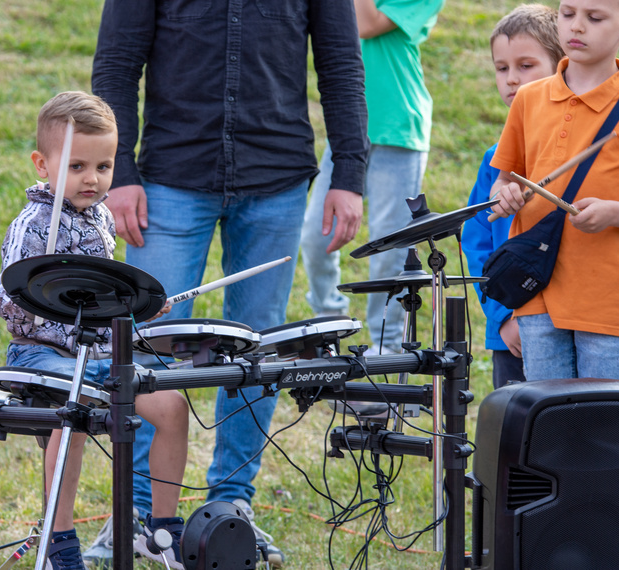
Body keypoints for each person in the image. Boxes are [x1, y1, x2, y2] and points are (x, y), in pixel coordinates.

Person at [88, 2, 369, 567]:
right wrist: (119, 175)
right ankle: (140, 513)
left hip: (278, 177)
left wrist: (351, 176)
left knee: (256, 350)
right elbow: (116, 65)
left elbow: (341, 65)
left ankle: (232, 508)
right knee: (147, 348)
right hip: (169, 177)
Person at [0, 91, 190, 570]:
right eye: (77, 166)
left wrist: (137, 310)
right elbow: (7, 298)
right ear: (43, 164)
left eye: (103, 167)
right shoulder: (33, 223)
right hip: (40, 354)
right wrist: (50, 307)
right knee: (74, 408)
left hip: (99, 357)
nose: (92, 179)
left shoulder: (101, 219)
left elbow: (106, 300)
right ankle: (59, 541)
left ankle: (161, 530)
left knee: (173, 404)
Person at [489, 0, 619, 381]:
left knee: (602, 432)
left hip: (610, 302)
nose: (577, 26)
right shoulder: (530, 99)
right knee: (549, 428)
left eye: (594, 17)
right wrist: (507, 195)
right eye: (567, 14)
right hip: (538, 293)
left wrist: (614, 213)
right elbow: (504, 180)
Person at [300, 0, 444, 355]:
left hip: (398, 130)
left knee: (389, 250)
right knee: (316, 236)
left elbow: (364, 23)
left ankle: (387, 348)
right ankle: (328, 325)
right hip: (347, 132)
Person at [462, 4, 564, 389]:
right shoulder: (495, 158)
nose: (512, 80)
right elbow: (477, 241)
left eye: (526, 65)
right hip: (510, 333)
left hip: (570, 322)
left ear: (561, 65)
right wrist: (503, 316)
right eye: (502, 68)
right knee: (515, 435)